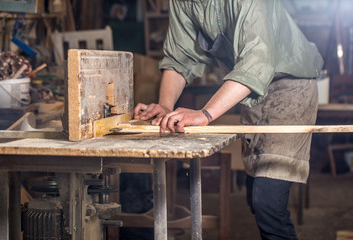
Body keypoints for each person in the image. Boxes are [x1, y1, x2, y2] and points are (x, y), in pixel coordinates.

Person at [134, 0, 323, 239]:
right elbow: (179, 59)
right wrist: (164, 106)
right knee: (255, 196)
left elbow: (257, 63)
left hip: (289, 87)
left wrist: (204, 114)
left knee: (267, 201)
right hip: (249, 91)